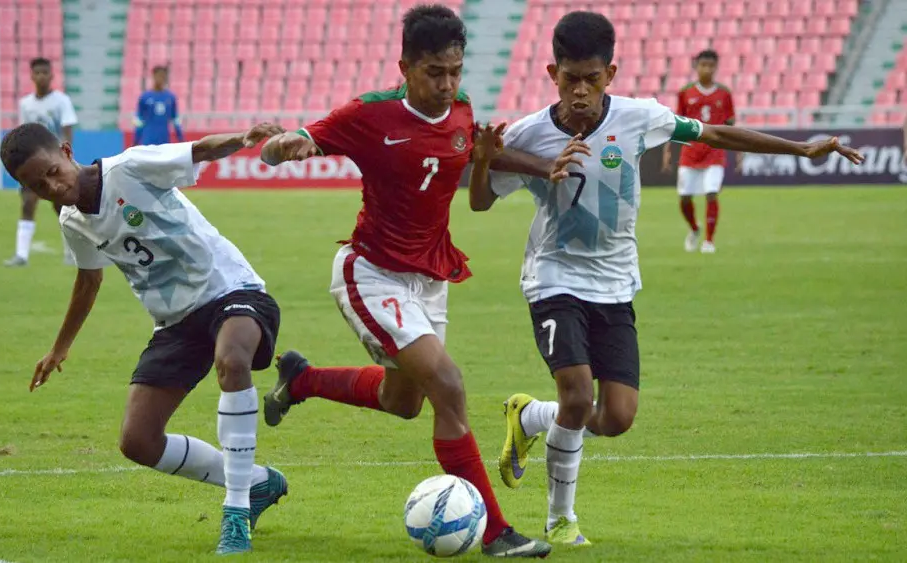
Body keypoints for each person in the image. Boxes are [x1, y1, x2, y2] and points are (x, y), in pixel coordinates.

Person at [470, 10, 863, 549]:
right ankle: (561, 519)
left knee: (616, 417)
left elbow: (716, 132)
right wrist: (482, 162)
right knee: (578, 393)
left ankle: (530, 416)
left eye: (592, 78)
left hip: (615, 282)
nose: (580, 90)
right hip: (554, 277)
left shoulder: (640, 117)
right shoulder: (529, 134)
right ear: (550, 73)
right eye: (570, 79)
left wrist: (801, 147)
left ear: (612, 73)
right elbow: (481, 201)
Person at [259, 4, 583, 558]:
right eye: (435, 72)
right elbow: (281, 148)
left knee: (403, 400)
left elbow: (483, 154)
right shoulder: (368, 115)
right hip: (372, 273)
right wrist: (283, 144)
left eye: (456, 71)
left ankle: (302, 378)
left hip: (431, 276)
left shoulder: (460, 111)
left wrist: (540, 167)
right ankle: (496, 533)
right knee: (449, 386)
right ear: (405, 66)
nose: (447, 83)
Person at [0, 121, 291, 554]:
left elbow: (198, 150)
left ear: (65, 151)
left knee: (231, 362)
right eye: (35, 184)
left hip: (230, 291)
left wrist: (241, 139)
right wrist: (60, 346)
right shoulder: (73, 222)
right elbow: (88, 281)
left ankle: (235, 511)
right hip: (175, 322)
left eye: (51, 171)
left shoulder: (129, 168)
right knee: (137, 440)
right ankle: (257, 483)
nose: (51, 186)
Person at [661, 49, 739, 253]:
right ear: (696, 67)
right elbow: (677, 123)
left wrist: (740, 152)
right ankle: (695, 228)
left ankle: (709, 241)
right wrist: (668, 151)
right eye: (703, 65)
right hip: (690, 153)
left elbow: (731, 126)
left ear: (716, 67)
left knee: (711, 193)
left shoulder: (724, 93)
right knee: (685, 198)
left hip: (715, 152)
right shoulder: (686, 92)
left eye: (711, 65)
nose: (707, 69)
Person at [5, 57, 79, 267]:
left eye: (45, 73)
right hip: (33, 165)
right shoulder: (25, 104)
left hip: (55, 163)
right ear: (31, 76)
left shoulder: (61, 101)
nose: (41, 77)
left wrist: (66, 160)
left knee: (62, 208)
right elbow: (22, 134)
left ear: (51, 75)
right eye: (37, 73)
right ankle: (21, 256)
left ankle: (71, 253)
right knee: (28, 204)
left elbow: (67, 130)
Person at [134, 66, 184, 146]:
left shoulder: (170, 97)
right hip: (148, 140)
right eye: (159, 76)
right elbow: (139, 119)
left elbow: (175, 119)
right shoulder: (145, 97)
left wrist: (181, 138)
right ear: (153, 76)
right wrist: (136, 140)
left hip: (164, 140)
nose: (161, 79)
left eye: (163, 76)